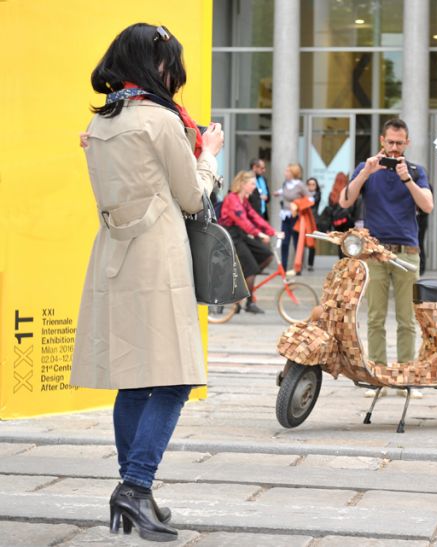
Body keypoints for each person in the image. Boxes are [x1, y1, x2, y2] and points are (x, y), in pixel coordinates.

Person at [70, 23, 224, 542]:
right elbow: (192, 198)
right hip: (159, 259)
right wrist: (210, 158)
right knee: (176, 378)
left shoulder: (101, 125)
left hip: (116, 257)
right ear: (153, 65)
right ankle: (135, 486)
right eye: (169, 65)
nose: (172, 75)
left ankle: (134, 494)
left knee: (135, 377)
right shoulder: (158, 121)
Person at [339, 118, 433, 398]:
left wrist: (407, 179)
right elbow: (345, 201)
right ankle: (377, 377)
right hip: (375, 251)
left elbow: (427, 205)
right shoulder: (367, 168)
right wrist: (366, 172)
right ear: (382, 140)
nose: (393, 149)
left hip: (407, 251)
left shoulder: (416, 171)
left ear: (407, 143)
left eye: (399, 143)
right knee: (376, 316)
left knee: (407, 317)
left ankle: (406, 377)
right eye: (389, 142)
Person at [219, 170, 279, 314]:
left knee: (267, 254)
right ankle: (249, 303)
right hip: (230, 236)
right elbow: (243, 221)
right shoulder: (232, 199)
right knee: (251, 268)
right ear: (243, 184)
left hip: (240, 234)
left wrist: (272, 231)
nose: (255, 187)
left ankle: (241, 283)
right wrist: (259, 233)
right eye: (252, 184)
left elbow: (254, 217)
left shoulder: (244, 200)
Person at [274, 163, 309, 274]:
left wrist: (298, 204)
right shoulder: (285, 184)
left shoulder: (300, 185)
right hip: (285, 216)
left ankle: (298, 268)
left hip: (296, 217)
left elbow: (310, 198)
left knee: (297, 243)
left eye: (288, 171)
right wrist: (278, 193)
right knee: (284, 242)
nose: (285, 173)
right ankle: (283, 268)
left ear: (293, 173)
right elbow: (283, 191)